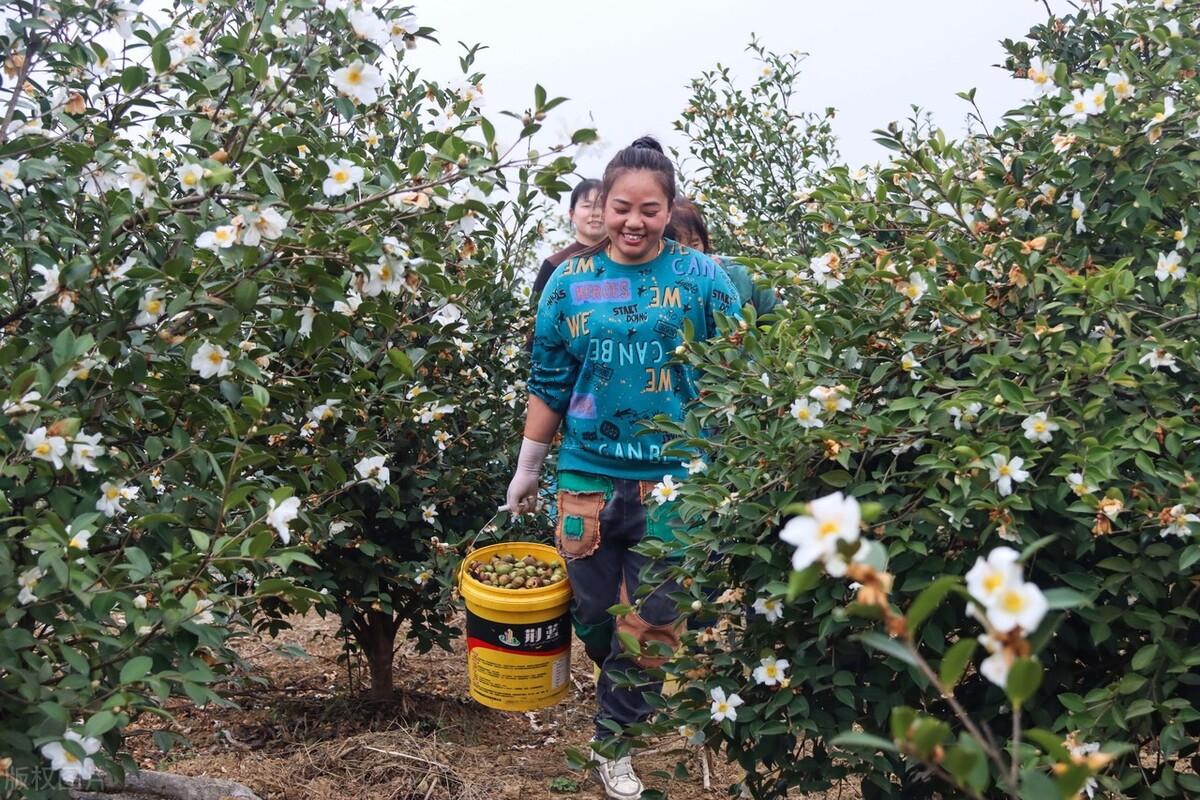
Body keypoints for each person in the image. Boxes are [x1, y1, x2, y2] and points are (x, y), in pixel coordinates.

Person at [506, 136, 740, 800]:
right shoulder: (569, 285)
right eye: (621, 208)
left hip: (677, 481)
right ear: (601, 207)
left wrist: (734, 458)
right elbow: (550, 380)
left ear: (670, 210)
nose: (634, 222)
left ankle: (615, 742)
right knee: (595, 618)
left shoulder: (701, 279)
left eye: (651, 209)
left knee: (654, 618)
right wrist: (529, 467)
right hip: (586, 478)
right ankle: (626, 684)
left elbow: (743, 366)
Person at [665, 197, 777, 317]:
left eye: (694, 244)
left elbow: (779, 325)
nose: (690, 255)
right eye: (678, 249)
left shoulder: (746, 275)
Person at [531, 178, 605, 302]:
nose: (596, 213)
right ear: (572, 214)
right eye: (587, 206)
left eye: (602, 206)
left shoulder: (626, 260)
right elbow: (535, 316)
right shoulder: (554, 265)